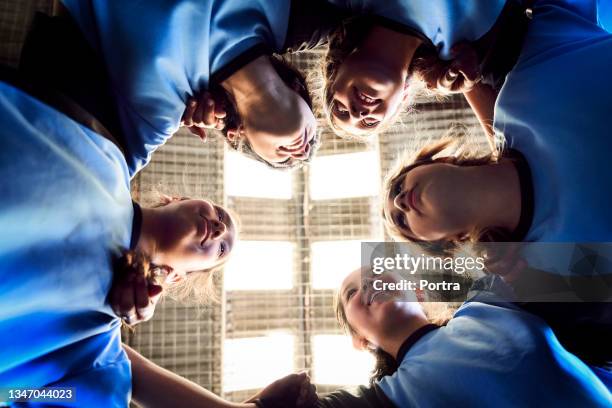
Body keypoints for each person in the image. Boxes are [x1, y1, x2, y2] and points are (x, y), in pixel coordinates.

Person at [0, 68, 239, 405]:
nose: (219, 228)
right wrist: (195, 104)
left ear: (176, 277)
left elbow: (14, 393)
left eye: (221, 248)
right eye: (221, 215)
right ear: (179, 200)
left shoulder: (91, 340)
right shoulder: (110, 152)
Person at [25, 0, 322, 176]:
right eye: (313, 143)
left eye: (283, 160)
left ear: (236, 135)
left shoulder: (163, 109)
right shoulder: (285, 15)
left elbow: (103, 180)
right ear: (299, 89)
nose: (303, 153)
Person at [312, 267, 611, 407]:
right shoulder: (387, 400)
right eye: (352, 292)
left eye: (376, 273)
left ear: (417, 291)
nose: (368, 285)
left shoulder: (489, 300)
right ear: (360, 341)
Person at [319, 0, 522, 139]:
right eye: (370, 122)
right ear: (403, 99)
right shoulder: (480, 44)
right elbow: (514, 149)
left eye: (341, 109)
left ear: (335, 70)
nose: (357, 114)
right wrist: (470, 83)